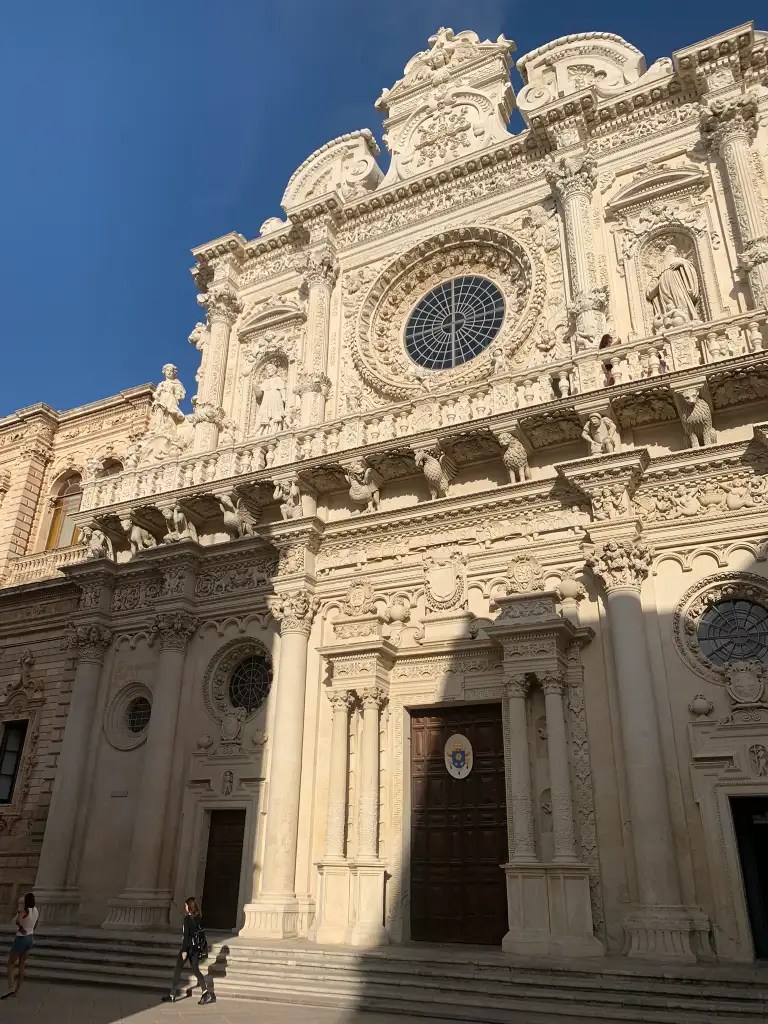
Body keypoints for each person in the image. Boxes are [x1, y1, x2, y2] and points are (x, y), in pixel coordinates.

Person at [161, 897, 215, 1005]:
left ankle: (172, 994)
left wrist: (184, 951)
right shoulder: (198, 918)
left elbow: (186, 936)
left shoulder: (187, 919)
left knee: (178, 969)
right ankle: (205, 992)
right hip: (196, 949)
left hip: (188, 948)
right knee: (195, 969)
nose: (185, 907)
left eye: (186, 905)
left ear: (189, 907)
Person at [2, 892, 38, 999]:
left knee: (10, 963)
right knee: (22, 964)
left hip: (22, 938)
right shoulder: (36, 910)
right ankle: (17, 991)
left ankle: (11, 987)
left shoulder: (25, 910)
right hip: (30, 938)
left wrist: (21, 928)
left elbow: (17, 921)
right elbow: (36, 924)